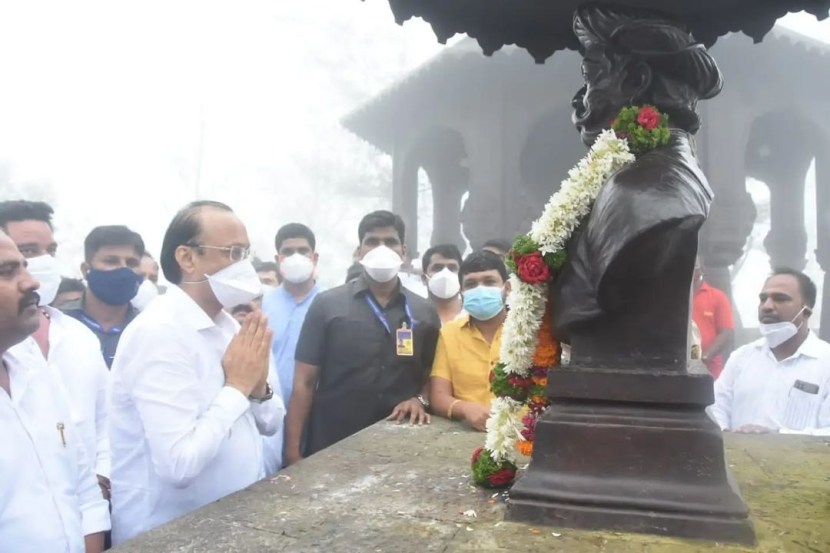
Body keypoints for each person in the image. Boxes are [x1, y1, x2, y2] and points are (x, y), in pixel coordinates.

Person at [108, 201, 284, 544]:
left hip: (231, 524)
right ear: (187, 258)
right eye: (233, 252)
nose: (243, 265)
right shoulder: (160, 333)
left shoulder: (228, 326)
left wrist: (258, 389)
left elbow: (270, 423)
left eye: (246, 253)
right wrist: (236, 389)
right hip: (171, 535)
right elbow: (179, 466)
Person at [285, 210, 440, 465]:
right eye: (372, 241)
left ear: (403, 251)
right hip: (332, 442)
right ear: (359, 251)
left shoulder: (424, 311)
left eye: (390, 242)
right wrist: (292, 451)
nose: (382, 249)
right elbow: (304, 381)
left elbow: (432, 375)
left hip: (400, 444)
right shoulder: (326, 306)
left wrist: (418, 399)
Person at [0, 230, 110, 552]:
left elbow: (81, 488)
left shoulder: (32, 364)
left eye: (24, 265)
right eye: (7, 271)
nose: (31, 281)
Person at [710, 268, 830, 435]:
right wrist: (727, 434)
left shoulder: (825, 362)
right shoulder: (741, 357)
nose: (767, 306)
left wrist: (777, 436)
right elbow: (715, 408)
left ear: (806, 311)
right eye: (763, 299)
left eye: (780, 299)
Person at [261, 223, 320, 474]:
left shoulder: (330, 304)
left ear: (314, 257)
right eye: (288, 251)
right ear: (278, 259)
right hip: (266, 418)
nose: (296, 257)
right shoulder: (260, 304)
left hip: (316, 419)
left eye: (303, 251)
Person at [430, 251, 509, 431]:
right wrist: (465, 409)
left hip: (522, 437)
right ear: (462, 292)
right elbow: (438, 396)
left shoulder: (531, 331)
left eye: (489, 282)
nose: (480, 289)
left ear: (507, 287)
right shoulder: (449, 333)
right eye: (471, 284)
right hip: (465, 435)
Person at [63, 225, 146, 367]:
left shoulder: (147, 329)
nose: (123, 269)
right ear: (85, 270)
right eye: (111, 261)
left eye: (131, 263)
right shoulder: (58, 322)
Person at [692, 257, 735, 378]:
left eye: (694, 267)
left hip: (710, 369)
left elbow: (726, 333)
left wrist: (704, 358)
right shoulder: (674, 298)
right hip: (678, 366)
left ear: (702, 270)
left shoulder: (717, 296)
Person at [420, 244, 463, 324]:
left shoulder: (476, 316)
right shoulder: (412, 315)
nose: (445, 273)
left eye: (452, 268)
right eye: (437, 268)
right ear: (424, 278)